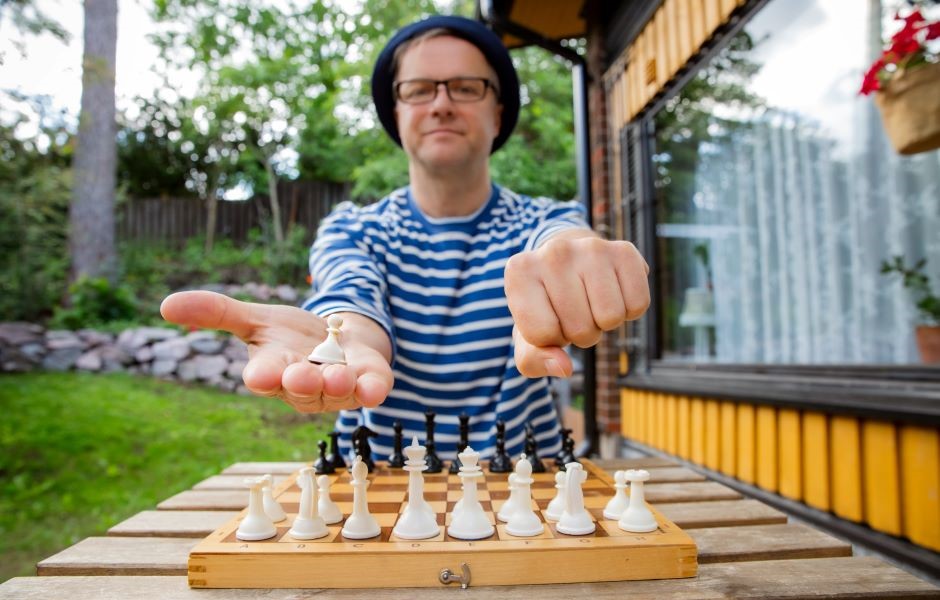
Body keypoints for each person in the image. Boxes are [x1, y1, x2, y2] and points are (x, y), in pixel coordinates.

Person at [161, 15, 650, 460]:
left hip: (529, 488)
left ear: (498, 114)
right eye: (419, 89)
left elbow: (561, 241)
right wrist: (345, 340)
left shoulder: (542, 220)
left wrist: (575, 257)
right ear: (396, 114)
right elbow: (350, 297)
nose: (441, 104)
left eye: (465, 87)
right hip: (379, 490)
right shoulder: (352, 229)